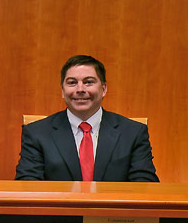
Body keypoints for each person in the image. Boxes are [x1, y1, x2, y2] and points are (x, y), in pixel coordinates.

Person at [15, 55, 158, 182]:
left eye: (88, 82)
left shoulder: (133, 133)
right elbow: (28, 188)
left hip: (112, 212)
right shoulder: (36, 133)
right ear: (63, 91)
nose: (80, 89)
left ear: (104, 89)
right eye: (72, 82)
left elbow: (145, 188)